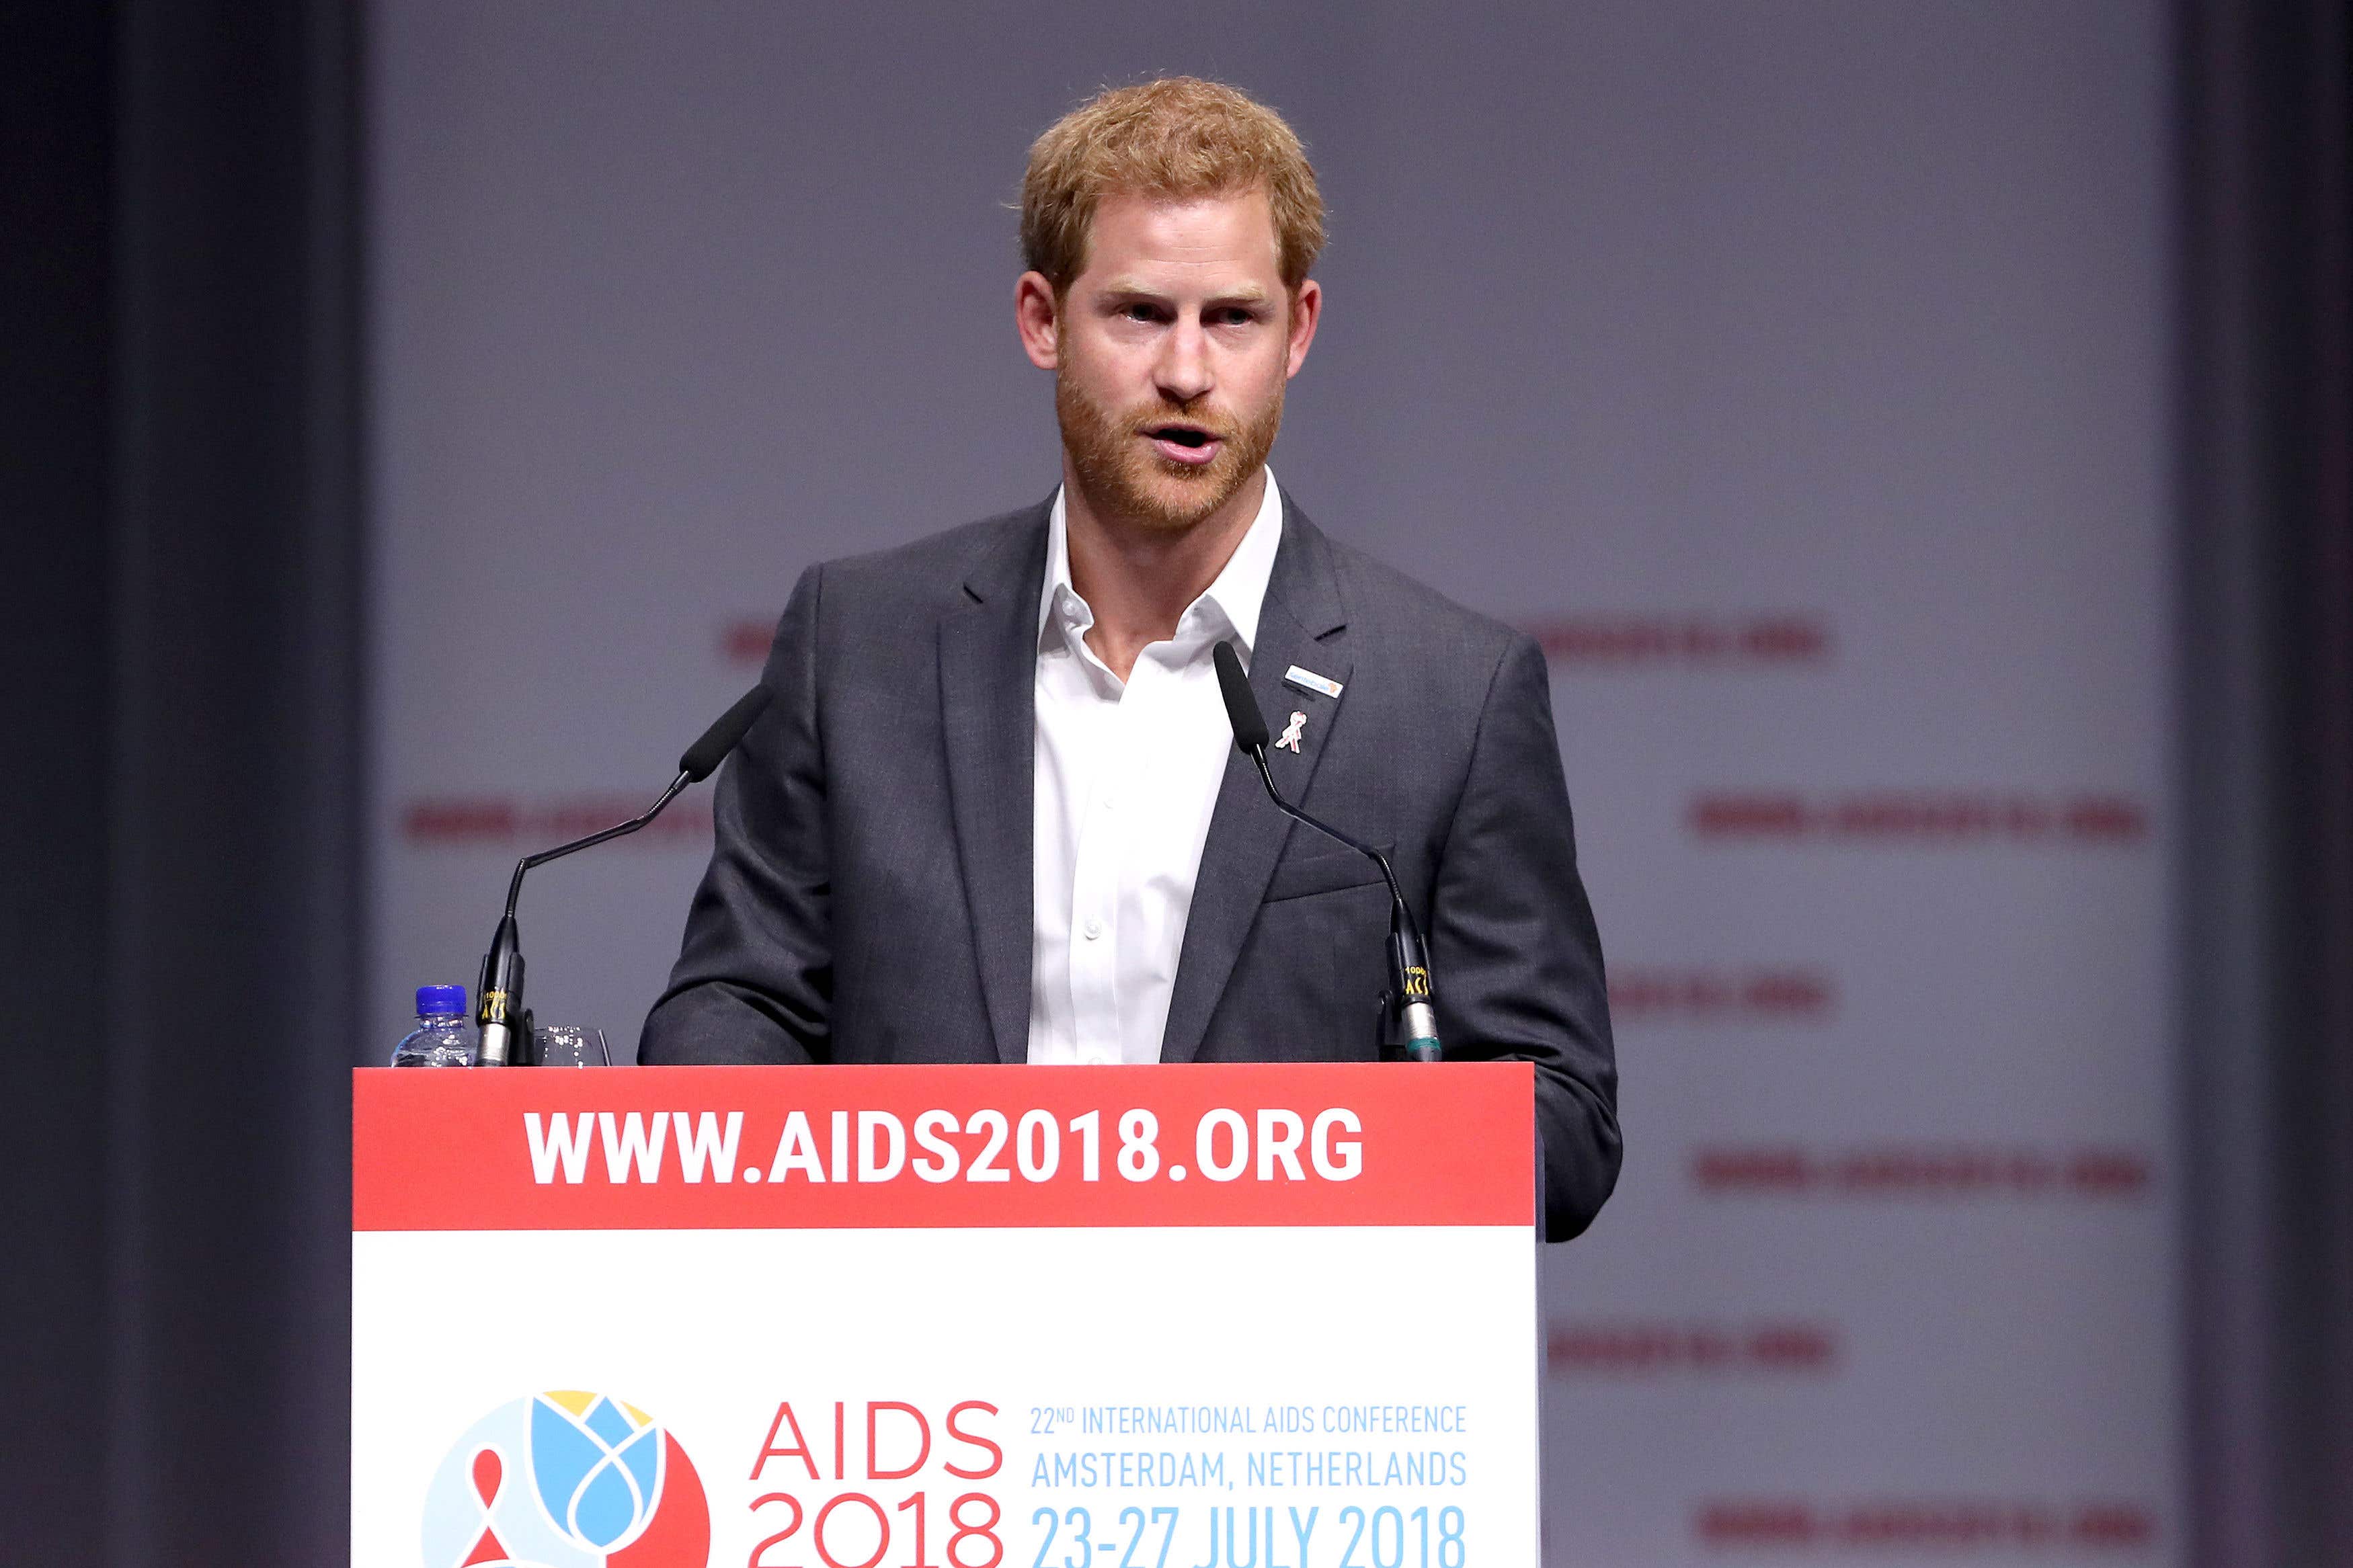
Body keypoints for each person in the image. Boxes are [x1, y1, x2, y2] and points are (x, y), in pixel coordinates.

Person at [640, 77, 1620, 1240]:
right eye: (1142, 314)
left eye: (1235, 319)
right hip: (920, 1378)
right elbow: (736, 1003)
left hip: (1275, 1395)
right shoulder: (859, 644)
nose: (1189, 374)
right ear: (1042, 320)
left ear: (1300, 330)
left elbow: (1562, 1120)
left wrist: (1336, 1152)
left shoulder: (1448, 694)